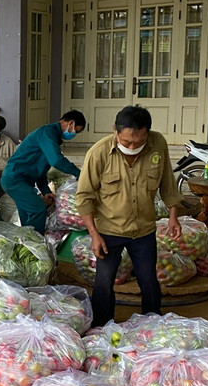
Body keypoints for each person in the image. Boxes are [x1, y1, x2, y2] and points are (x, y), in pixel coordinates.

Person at [74, 105, 183, 327]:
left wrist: (173, 216)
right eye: (126, 142)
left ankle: (152, 323)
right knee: (104, 281)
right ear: (115, 131)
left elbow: (168, 184)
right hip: (109, 231)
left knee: (148, 280)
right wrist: (94, 235)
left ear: (148, 133)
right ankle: (102, 326)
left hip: (143, 230)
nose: (132, 147)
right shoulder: (98, 153)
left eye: (138, 142)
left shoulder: (157, 144)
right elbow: (84, 196)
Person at [0, 110, 86, 234]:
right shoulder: (47, 132)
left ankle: (26, 244)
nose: (73, 134)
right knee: (38, 210)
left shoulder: (52, 137)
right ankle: (36, 243)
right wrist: (79, 173)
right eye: (76, 131)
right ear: (70, 123)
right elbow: (56, 160)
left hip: (21, 180)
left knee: (27, 217)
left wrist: (46, 191)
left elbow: (40, 172)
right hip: (15, 179)